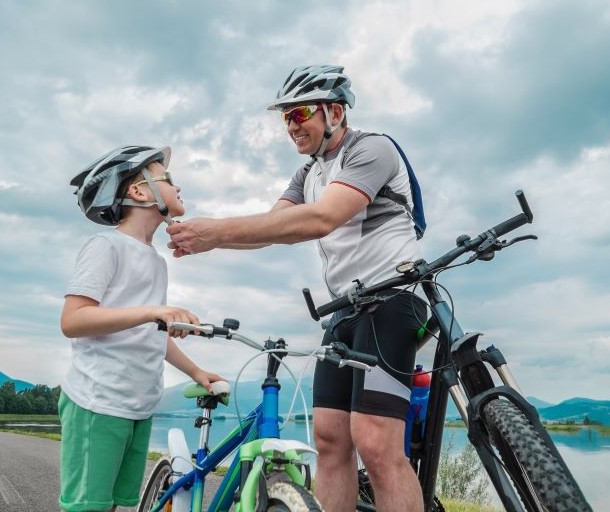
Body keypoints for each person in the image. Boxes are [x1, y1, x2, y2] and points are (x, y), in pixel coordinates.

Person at [166, 65, 427, 511]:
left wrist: (217, 231)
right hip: (344, 310)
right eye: (286, 117)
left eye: (300, 113)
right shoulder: (308, 173)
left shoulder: (372, 149)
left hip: (391, 298)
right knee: (329, 440)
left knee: (376, 443)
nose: (291, 125)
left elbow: (322, 218)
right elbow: (273, 227)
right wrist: (208, 240)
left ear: (335, 113)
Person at [60, 145, 225, 512]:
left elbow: (150, 332)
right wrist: (154, 311)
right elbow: (73, 320)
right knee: (87, 507)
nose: (178, 187)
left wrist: (196, 371)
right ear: (138, 191)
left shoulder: (156, 260)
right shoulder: (106, 246)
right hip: (98, 401)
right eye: (168, 179)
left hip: (138, 404)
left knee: (113, 504)